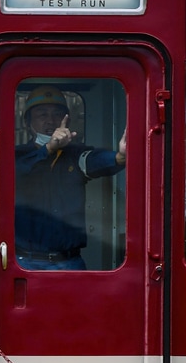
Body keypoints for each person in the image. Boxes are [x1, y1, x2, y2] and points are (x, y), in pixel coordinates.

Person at [14, 86, 127, 270]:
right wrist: (49, 149)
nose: (50, 120)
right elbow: (20, 172)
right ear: (28, 123)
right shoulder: (17, 155)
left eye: (57, 114)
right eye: (42, 115)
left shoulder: (75, 154)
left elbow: (94, 160)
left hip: (68, 262)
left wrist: (119, 157)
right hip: (25, 262)